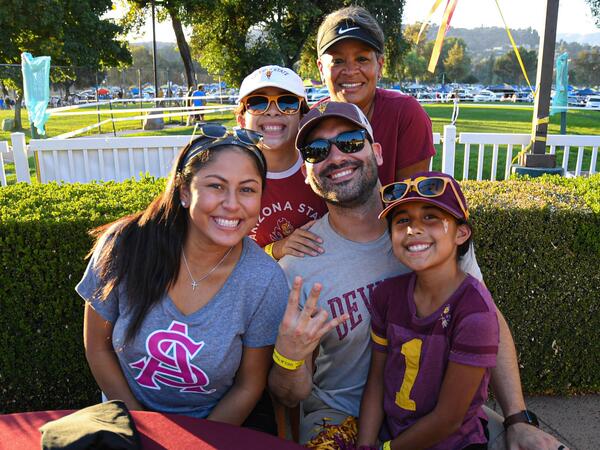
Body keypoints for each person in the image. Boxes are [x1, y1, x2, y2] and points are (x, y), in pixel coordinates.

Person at [268, 102, 565, 450]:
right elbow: (289, 395)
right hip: (340, 415)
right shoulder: (299, 265)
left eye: (349, 142)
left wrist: (517, 418)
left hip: (436, 411)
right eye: (317, 150)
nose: (335, 157)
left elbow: (488, 320)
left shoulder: (428, 238)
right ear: (307, 170)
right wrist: (288, 357)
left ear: (376, 152)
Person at [76, 126, 287, 431]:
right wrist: (140, 429)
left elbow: (248, 386)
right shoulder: (124, 246)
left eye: (247, 189)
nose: (232, 203)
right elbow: (98, 347)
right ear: (185, 191)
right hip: (127, 420)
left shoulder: (264, 281)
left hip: (215, 429)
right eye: (216, 186)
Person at [358, 172, 499, 449]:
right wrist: (364, 445)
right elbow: (376, 380)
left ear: (461, 233)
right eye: (402, 221)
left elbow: (449, 418)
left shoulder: (474, 313)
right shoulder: (387, 296)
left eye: (431, 217)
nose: (413, 229)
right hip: (392, 435)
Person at [314, 6, 434, 184]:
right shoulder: (311, 122)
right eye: (338, 61)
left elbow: (409, 203)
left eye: (362, 59)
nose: (350, 71)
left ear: (380, 65)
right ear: (321, 69)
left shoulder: (405, 114)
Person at [235, 65, 327, 259]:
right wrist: (276, 249)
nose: (273, 111)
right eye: (258, 103)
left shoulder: (322, 167)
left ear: (303, 117)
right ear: (241, 120)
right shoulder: (230, 177)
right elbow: (221, 256)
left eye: (287, 102)